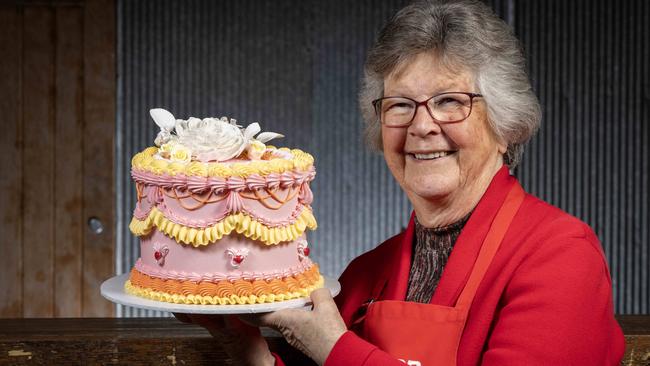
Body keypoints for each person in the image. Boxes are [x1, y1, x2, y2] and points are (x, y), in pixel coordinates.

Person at [176, 0, 626, 364]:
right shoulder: (367, 273)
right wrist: (245, 343)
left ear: (506, 126)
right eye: (399, 105)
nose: (421, 126)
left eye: (450, 101)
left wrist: (335, 349)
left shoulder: (561, 255)